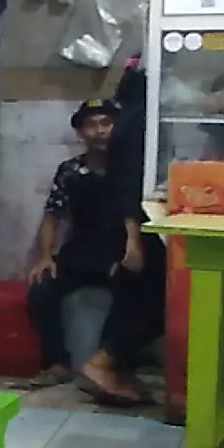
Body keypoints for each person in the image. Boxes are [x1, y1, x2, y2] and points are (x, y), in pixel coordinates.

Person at [25, 98, 160, 405]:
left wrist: (127, 253)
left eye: (106, 123)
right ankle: (57, 363)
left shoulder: (131, 171)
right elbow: (51, 217)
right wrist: (45, 256)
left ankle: (112, 366)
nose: (100, 131)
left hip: (119, 252)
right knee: (41, 288)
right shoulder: (70, 171)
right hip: (81, 253)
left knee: (138, 295)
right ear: (81, 132)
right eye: (92, 125)